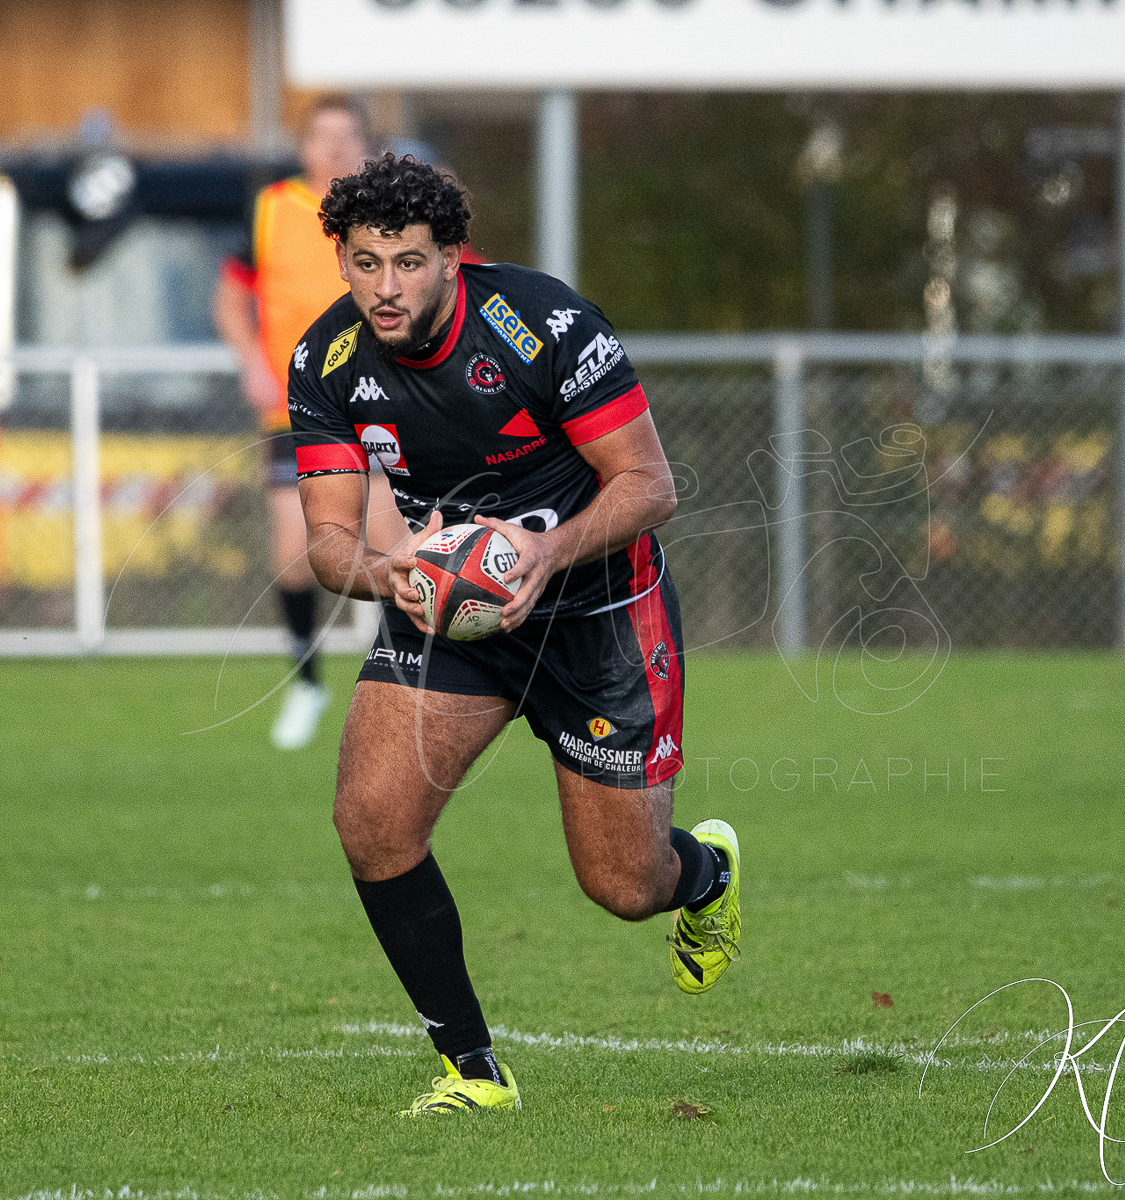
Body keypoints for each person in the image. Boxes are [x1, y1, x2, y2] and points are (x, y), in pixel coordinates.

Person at [286, 154, 743, 1116]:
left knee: (622, 885)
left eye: (408, 261)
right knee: (370, 824)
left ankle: (703, 874)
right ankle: (474, 1073)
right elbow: (329, 542)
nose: (385, 288)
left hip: (598, 617)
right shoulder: (325, 363)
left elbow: (649, 485)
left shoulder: (545, 325)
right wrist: (391, 572)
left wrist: (545, 555)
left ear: (454, 254)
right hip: (455, 618)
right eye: (364, 263)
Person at [214, 97, 407, 749]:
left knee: (390, 544)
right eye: (321, 137)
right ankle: (306, 683)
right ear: (302, 147)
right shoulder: (271, 209)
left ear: (366, 147)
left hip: (378, 398)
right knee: (295, 552)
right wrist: (250, 361)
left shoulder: (388, 213)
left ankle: (408, 681)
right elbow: (229, 295)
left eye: (346, 136)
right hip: (294, 408)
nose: (332, 148)